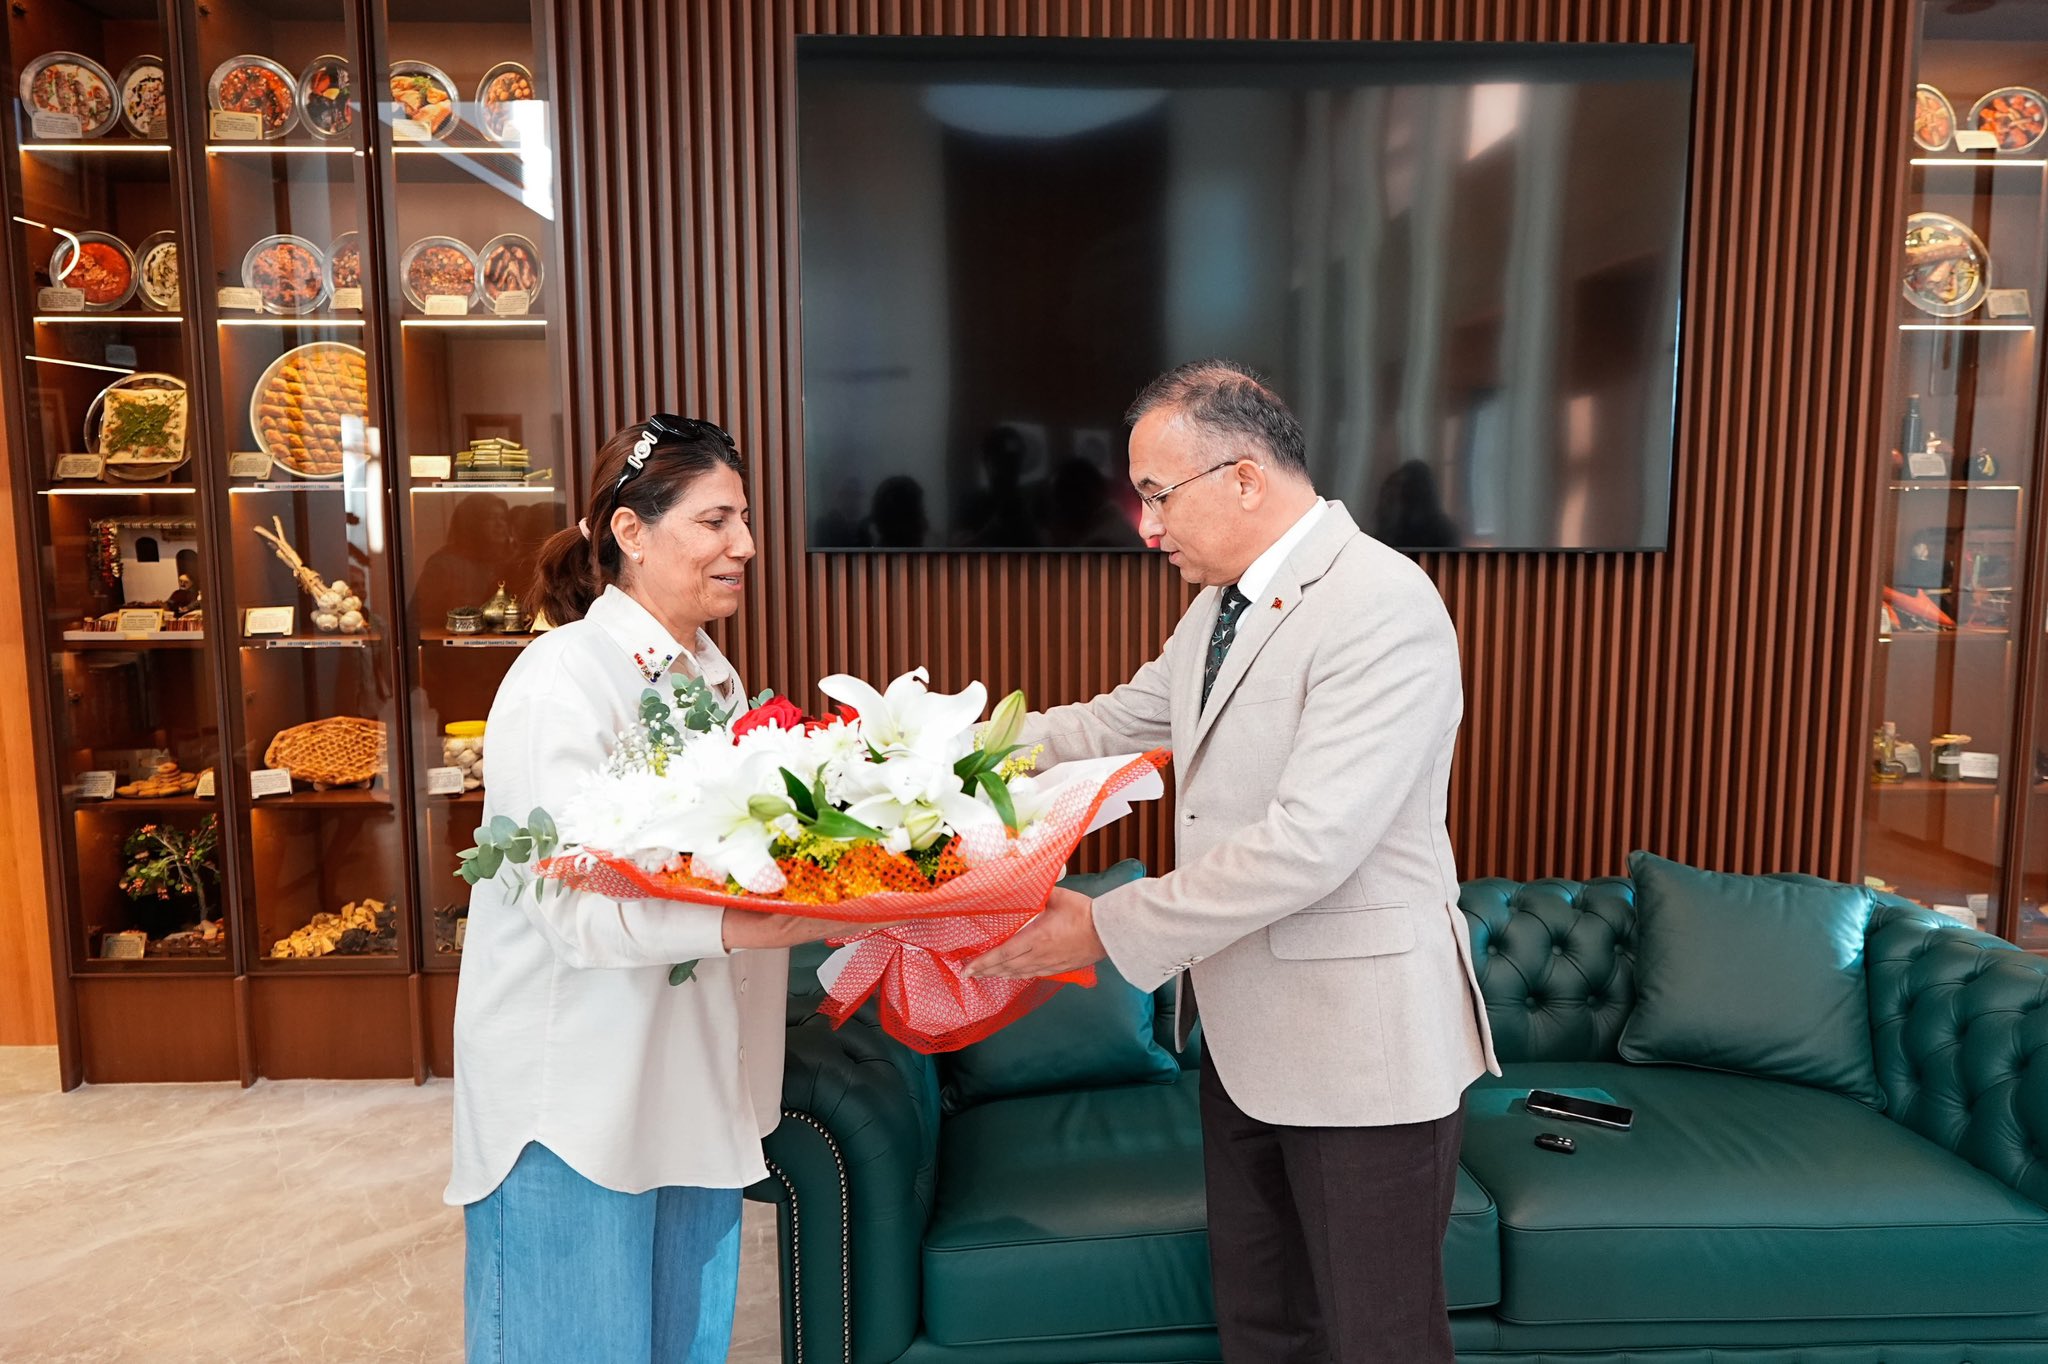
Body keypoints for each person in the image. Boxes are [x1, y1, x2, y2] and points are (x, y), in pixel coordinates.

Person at [968, 360, 1499, 1363]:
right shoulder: (1223, 604)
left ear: (1244, 477)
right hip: (1248, 1042)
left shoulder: (1381, 602)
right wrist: (938, 752)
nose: (1146, 526)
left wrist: (1104, 926)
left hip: (1361, 1055)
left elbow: (1311, 842)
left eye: (1158, 496)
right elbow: (1114, 722)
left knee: (1377, 1341)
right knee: (1264, 1329)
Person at [446, 415, 843, 1364]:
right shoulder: (561, 679)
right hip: (577, 1105)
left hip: (691, 1087)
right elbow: (571, 906)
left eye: (743, 519)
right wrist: (745, 926)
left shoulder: (714, 679)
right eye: (716, 521)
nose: (745, 545)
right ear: (631, 530)